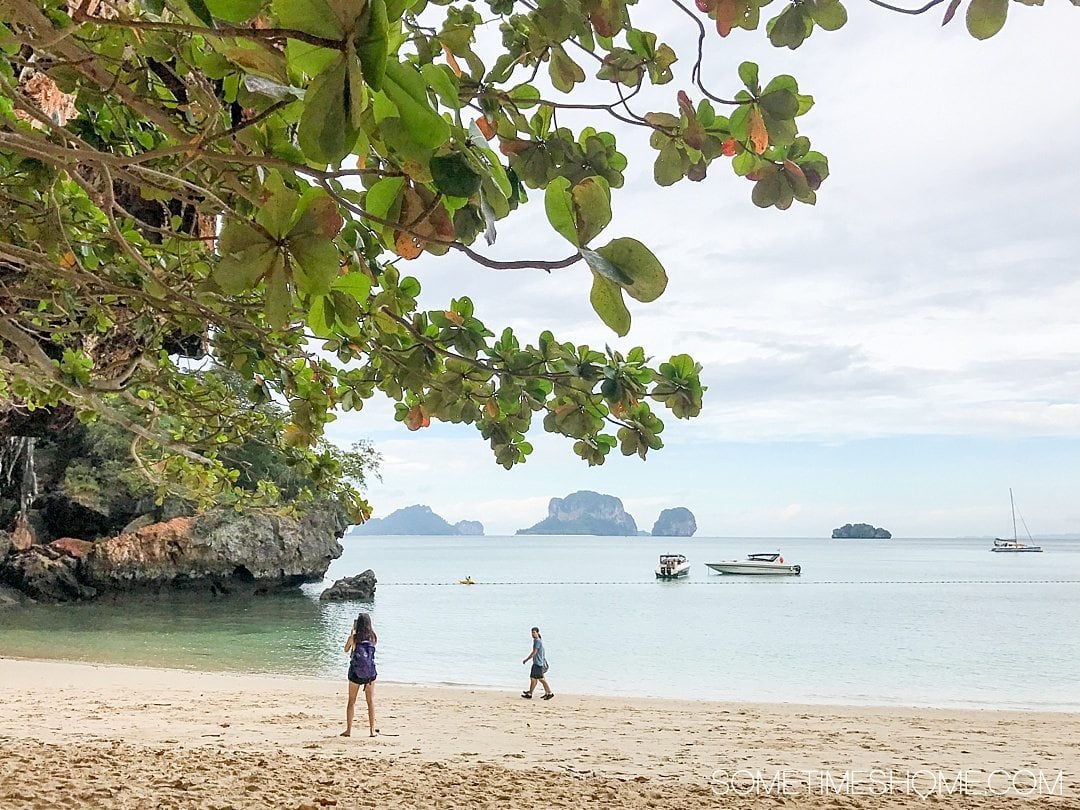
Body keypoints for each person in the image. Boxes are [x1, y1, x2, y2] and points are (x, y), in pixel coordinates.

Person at [342, 612, 378, 737]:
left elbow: (346, 649)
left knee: (351, 701)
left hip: (355, 674)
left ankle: (349, 730)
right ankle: (372, 730)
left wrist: (351, 633)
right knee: (370, 702)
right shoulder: (373, 637)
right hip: (370, 674)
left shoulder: (354, 638)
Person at [521, 626, 553, 700]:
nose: (532, 634)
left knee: (540, 679)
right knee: (533, 679)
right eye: (532, 632)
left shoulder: (538, 641)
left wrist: (526, 659)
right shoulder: (537, 640)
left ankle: (550, 693)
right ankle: (530, 693)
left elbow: (534, 652)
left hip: (538, 664)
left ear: (538, 633)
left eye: (534, 632)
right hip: (538, 663)